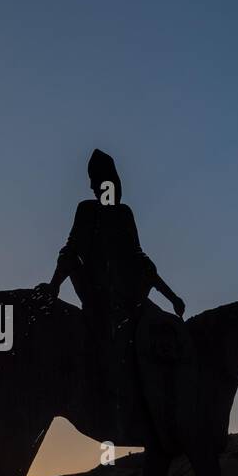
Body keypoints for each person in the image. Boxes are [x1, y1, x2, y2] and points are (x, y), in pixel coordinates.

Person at [39, 149, 184, 433]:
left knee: (161, 331)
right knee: (115, 340)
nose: (95, 187)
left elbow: (141, 260)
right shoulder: (86, 210)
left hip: (129, 295)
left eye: (100, 181)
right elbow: (71, 250)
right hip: (97, 295)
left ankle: (161, 399)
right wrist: (54, 284)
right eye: (94, 182)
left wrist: (170, 295)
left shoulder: (124, 214)